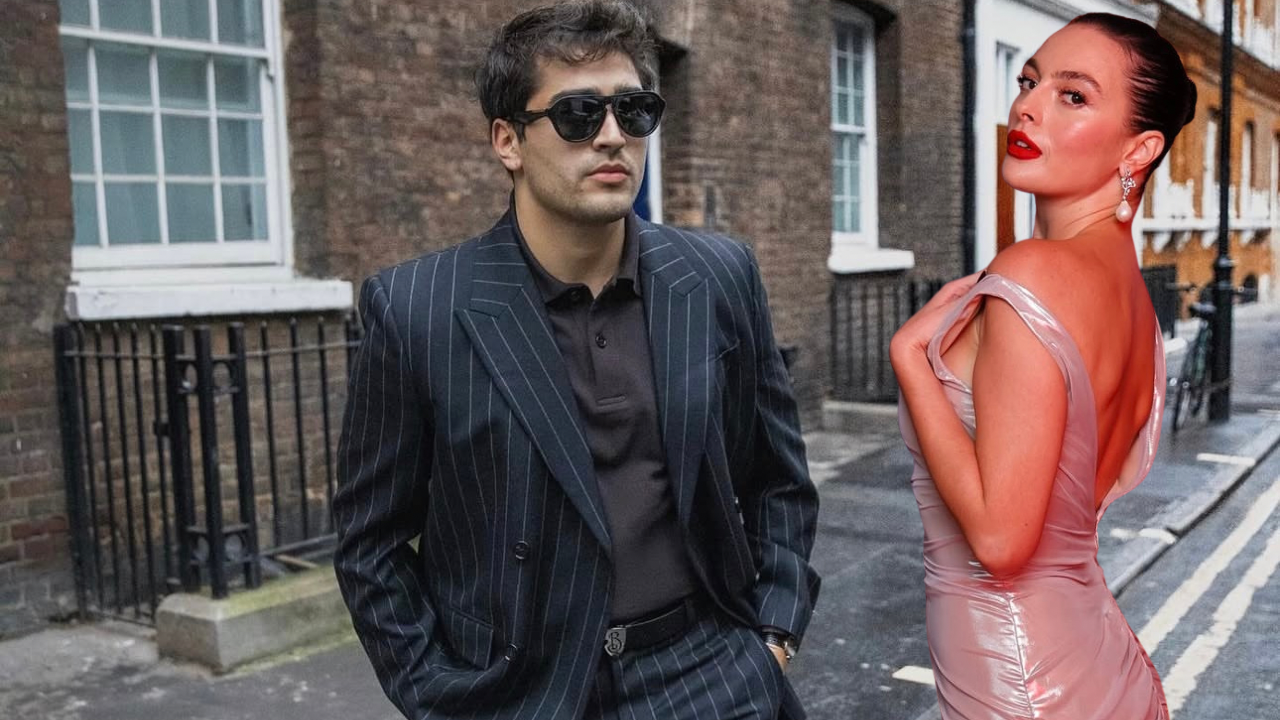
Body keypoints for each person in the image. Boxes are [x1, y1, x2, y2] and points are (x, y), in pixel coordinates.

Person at [331, 2, 820, 719]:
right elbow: (369, 543)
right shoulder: (416, 309)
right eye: (578, 114)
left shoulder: (718, 276)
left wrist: (772, 636)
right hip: (521, 693)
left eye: (634, 110)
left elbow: (778, 479)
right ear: (508, 141)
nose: (613, 136)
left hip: (709, 674)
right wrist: (438, 696)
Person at [890, 13, 1196, 720]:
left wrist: (910, 359)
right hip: (1103, 668)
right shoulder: (1135, 305)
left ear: (1139, 150)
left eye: (1074, 95)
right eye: (1030, 82)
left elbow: (1001, 541)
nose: (1027, 106)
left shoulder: (1034, 273)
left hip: (1024, 687)